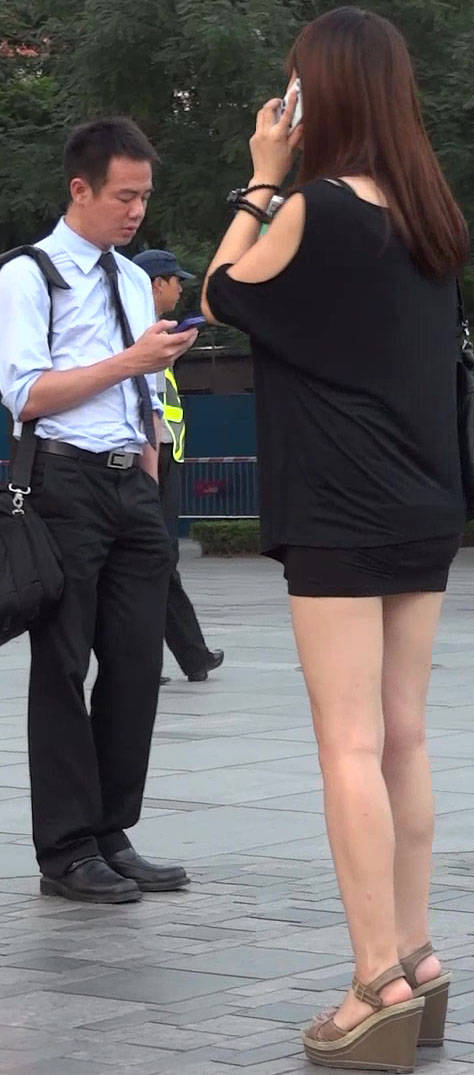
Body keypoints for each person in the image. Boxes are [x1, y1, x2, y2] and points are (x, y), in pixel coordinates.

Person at [201, 8, 467, 1070]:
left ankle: (374, 982)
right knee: (403, 735)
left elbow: (223, 290)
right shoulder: (431, 212)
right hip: (426, 500)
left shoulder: (317, 209)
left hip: (339, 507)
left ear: (321, 95)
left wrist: (261, 177)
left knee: (348, 743)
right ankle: (418, 955)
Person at [0, 117, 199, 903]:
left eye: (144, 196)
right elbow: (26, 393)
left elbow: (143, 389)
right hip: (62, 481)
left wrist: (146, 464)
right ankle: (66, 848)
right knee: (63, 664)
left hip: (129, 484)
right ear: (79, 188)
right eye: (124, 195)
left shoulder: (128, 276)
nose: (136, 210)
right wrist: (130, 360)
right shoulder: (29, 276)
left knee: (137, 661)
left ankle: (113, 830)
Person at [132, 248, 224, 684]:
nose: (180, 289)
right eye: (175, 281)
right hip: (148, 462)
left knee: (157, 559)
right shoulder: (137, 332)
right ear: (156, 284)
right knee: (154, 559)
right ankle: (179, 656)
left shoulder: (154, 333)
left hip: (161, 460)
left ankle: (188, 655)